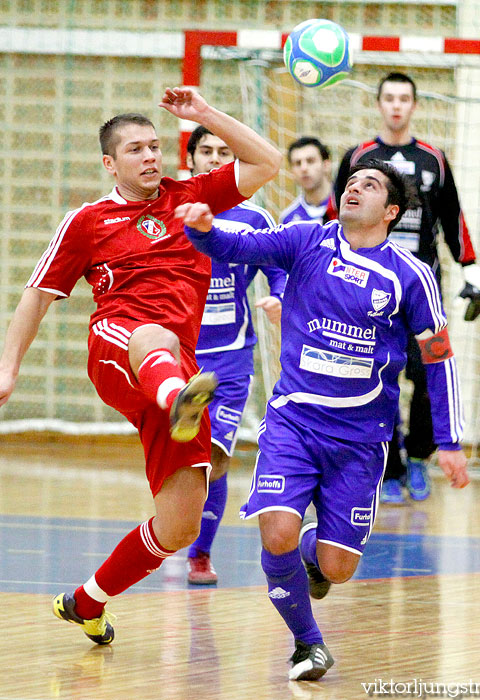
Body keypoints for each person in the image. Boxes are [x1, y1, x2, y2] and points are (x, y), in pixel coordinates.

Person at [0, 86, 281, 645]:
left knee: (180, 525)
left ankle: (86, 601)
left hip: (176, 368)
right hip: (119, 347)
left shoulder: (191, 196)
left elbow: (268, 161)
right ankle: (179, 400)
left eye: (155, 146)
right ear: (109, 162)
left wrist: (204, 115)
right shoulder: (87, 221)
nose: (150, 157)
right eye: (136, 149)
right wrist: (7, 369)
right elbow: (37, 295)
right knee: (151, 335)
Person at [176, 158, 470, 681]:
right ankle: (308, 643)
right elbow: (237, 247)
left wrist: (447, 438)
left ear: (391, 211)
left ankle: (316, 546)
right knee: (276, 531)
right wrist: (204, 227)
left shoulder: (411, 276)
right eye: (352, 182)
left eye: (371, 185)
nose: (355, 188)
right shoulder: (308, 240)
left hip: (361, 439)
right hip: (294, 421)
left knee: (336, 568)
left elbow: (438, 355)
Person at [334, 72, 480, 504]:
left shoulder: (433, 159)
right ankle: (390, 466)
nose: (396, 106)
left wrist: (472, 271)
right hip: (367, 286)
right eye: (389, 98)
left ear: (414, 105)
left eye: (404, 99)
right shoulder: (359, 157)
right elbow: (335, 216)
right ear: (379, 104)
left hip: (421, 286)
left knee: (426, 371)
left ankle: (419, 458)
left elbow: (454, 218)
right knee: (376, 371)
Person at [185, 125, 287, 584]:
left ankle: (200, 554)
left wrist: (280, 299)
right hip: (179, 353)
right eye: (205, 151)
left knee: (217, 453)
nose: (214, 158)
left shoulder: (254, 219)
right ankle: (177, 530)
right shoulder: (171, 214)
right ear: (190, 160)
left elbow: (278, 268)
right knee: (186, 465)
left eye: (224, 151)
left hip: (229, 357)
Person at [280, 137, 334, 224]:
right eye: (298, 163)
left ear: (326, 165)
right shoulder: (288, 218)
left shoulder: (346, 205)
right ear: (291, 171)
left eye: (310, 161)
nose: (303, 168)